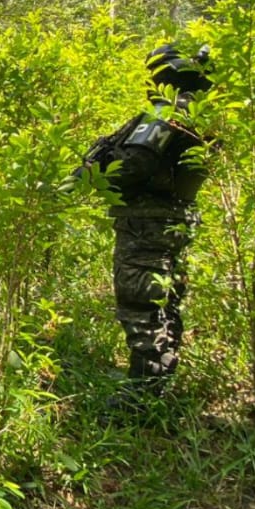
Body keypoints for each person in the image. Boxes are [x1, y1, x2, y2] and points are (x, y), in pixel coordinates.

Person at [78, 45, 213, 407]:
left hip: (147, 222)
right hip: (175, 218)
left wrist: (97, 172)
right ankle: (158, 377)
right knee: (165, 302)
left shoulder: (166, 114)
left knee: (141, 302)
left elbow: (134, 166)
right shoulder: (199, 114)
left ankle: (143, 395)